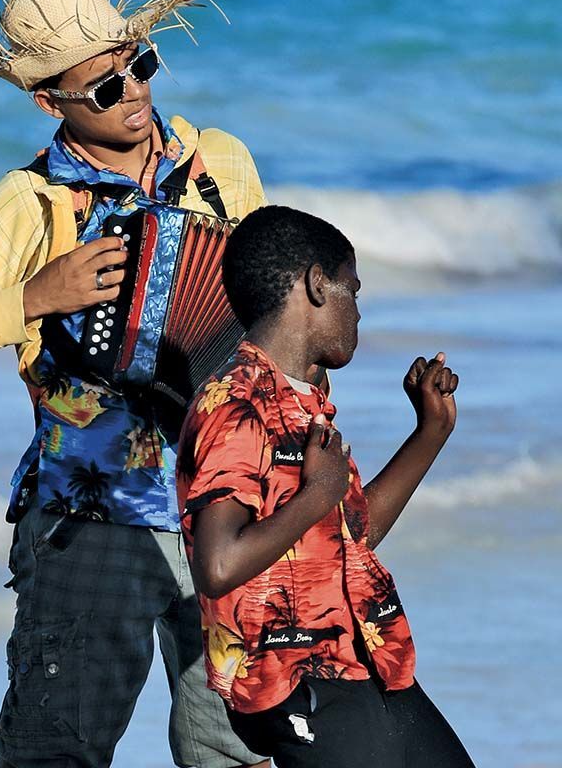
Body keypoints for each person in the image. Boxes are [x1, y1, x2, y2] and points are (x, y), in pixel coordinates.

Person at [0, 0, 268, 765]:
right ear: (49, 101)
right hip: (91, 517)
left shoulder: (222, 164)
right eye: (103, 86)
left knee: (232, 749)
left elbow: (268, 316)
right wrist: (33, 295)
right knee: (56, 749)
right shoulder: (29, 201)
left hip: (227, 507)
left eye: (140, 65)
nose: (133, 91)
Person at [176, 205, 475, 767]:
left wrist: (431, 431)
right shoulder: (233, 405)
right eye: (353, 292)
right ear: (317, 284)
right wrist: (316, 496)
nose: (358, 313)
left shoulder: (304, 400)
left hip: (367, 659)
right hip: (298, 682)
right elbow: (216, 565)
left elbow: (353, 535)